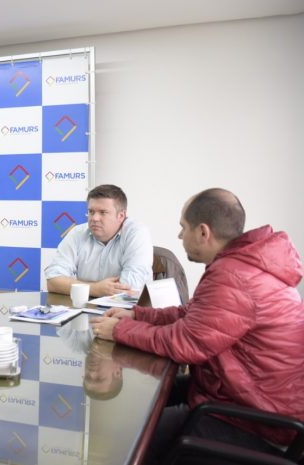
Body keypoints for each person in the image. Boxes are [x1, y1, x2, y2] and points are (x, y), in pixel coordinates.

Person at [90, 188, 304, 462]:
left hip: (258, 422)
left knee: (132, 440)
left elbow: (186, 343)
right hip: (246, 397)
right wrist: (136, 316)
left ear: (203, 232)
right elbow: (191, 314)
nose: (180, 236)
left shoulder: (234, 276)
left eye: (183, 227)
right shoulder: (242, 266)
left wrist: (119, 331)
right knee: (143, 402)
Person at [45, 184, 153, 297]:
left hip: (128, 307)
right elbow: (52, 282)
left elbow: (129, 288)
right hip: (86, 305)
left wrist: (80, 287)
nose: (94, 218)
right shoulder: (78, 233)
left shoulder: (136, 233)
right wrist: (94, 288)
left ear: (121, 216)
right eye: (91, 212)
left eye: (103, 212)